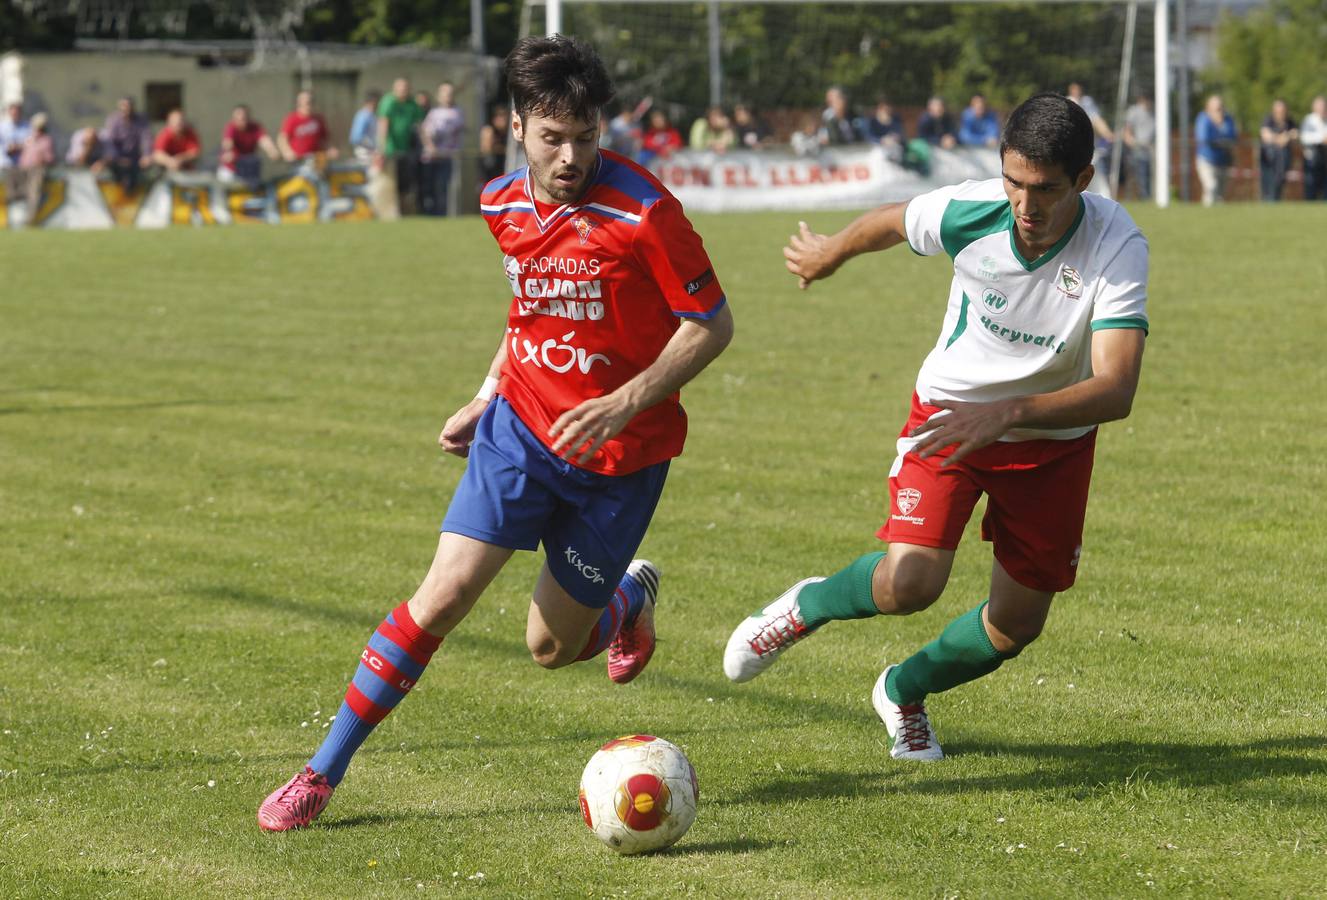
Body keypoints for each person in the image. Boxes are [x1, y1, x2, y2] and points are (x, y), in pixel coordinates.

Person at [256, 33, 734, 832]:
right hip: (520, 433)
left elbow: (710, 326)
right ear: (517, 127)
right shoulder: (499, 205)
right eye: (553, 138)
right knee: (439, 597)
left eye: (586, 136)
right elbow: (527, 313)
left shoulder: (647, 212)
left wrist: (624, 401)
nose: (572, 155)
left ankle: (626, 602)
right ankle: (320, 774)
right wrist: (486, 394)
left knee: (549, 649)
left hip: (621, 457)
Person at [723, 92, 1148, 764]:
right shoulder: (971, 209)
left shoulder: (1115, 244)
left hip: (1050, 446)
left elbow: (1115, 386)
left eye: (1045, 190)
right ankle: (806, 605)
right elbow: (895, 221)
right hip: (950, 415)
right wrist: (832, 251)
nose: (1025, 206)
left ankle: (902, 690)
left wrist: (1011, 411)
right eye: (1013, 183)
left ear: (1083, 182)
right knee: (909, 583)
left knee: (1014, 627)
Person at [376, 78, 425, 214]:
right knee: (391, 184)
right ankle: (390, 212)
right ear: (394, 89)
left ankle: (404, 211)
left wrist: (427, 145)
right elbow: (383, 124)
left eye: (405, 88)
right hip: (390, 151)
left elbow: (420, 126)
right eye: (400, 88)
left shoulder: (412, 104)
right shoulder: (389, 102)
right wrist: (382, 148)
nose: (403, 91)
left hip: (406, 150)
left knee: (405, 184)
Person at [420, 81, 465, 216]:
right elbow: (425, 132)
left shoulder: (458, 113)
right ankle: (430, 213)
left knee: (445, 187)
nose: (447, 96)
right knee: (431, 187)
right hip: (432, 157)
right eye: (444, 93)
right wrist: (430, 146)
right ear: (439, 95)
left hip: (449, 157)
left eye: (450, 93)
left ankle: (444, 213)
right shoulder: (433, 113)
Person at [100, 97, 153, 191]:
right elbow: (110, 142)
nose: (126, 109)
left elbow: (146, 139)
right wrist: (118, 158)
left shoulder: (141, 121)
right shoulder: (113, 120)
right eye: (123, 107)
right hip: (117, 158)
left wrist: (146, 155)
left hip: (134, 157)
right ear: (119, 108)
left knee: (143, 170)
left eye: (129, 107)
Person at [217, 104, 279, 184]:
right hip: (231, 169)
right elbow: (227, 142)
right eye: (237, 118)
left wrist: (272, 151)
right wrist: (227, 152)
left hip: (248, 169)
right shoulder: (231, 127)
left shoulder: (255, 128)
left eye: (243, 118)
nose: (240, 120)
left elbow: (264, 141)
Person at [1195, 94, 1237, 206]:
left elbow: (1233, 137)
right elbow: (1204, 139)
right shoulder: (1203, 119)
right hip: (1206, 160)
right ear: (1208, 109)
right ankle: (1205, 214)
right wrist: (1221, 141)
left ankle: (1216, 219)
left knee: (1220, 195)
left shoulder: (1228, 120)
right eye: (1217, 109)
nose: (1220, 111)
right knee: (1211, 187)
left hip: (1223, 161)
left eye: (1221, 108)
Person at [12, 112, 54, 224]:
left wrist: (43, 159)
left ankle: (30, 221)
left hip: (37, 170)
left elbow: (49, 158)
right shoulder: (29, 138)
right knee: (18, 194)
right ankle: (17, 219)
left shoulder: (46, 140)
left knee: (33, 195)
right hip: (22, 169)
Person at [279, 90, 338, 165]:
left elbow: (325, 140)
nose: (307, 105)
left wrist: (330, 149)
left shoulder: (319, 119)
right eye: (304, 102)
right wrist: (287, 152)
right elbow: (282, 139)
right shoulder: (292, 119)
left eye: (310, 102)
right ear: (298, 103)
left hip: (317, 160)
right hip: (298, 161)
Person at [1258, 99, 1298, 202]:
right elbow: (1265, 135)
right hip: (1268, 160)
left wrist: (1286, 136)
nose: (1280, 113)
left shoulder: (1290, 121)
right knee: (1268, 184)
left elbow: (1295, 134)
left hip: (1283, 161)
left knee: (1279, 183)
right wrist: (1281, 138)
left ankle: (1275, 201)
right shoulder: (1268, 120)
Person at [1122, 92, 1156, 200]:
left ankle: (1149, 197)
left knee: (1149, 176)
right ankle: (1144, 198)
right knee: (1140, 175)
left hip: (1151, 149)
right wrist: (1134, 144)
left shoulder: (1155, 112)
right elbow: (1127, 132)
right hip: (1137, 149)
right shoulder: (1134, 111)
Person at [1301, 96, 1327, 201]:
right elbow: (1305, 137)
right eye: (1320, 106)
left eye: (1324, 106)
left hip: (1325, 159)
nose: (1322, 109)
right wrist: (1321, 138)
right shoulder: (1309, 120)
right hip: (1313, 159)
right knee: (1311, 186)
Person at [477, 104, 509, 187]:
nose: (503, 120)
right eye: (500, 116)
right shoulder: (489, 130)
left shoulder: (509, 133)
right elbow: (486, 149)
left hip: (504, 170)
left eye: (504, 116)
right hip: (489, 171)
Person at [349, 90, 382, 160]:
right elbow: (356, 137)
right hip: (365, 153)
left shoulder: (373, 115)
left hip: (373, 152)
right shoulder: (363, 115)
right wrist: (373, 145)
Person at [0, 102, 28, 173]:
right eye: (13, 113)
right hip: (5, 164)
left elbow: (30, 142)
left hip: (22, 165)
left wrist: (19, 147)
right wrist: (8, 148)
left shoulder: (27, 126)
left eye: (17, 113)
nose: (15, 115)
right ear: (9, 112)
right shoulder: (2, 127)